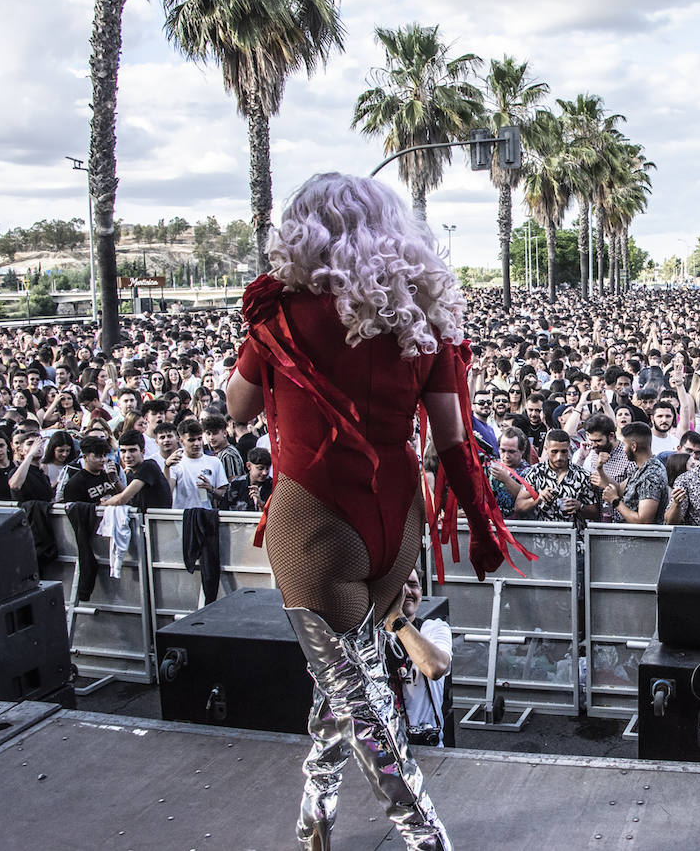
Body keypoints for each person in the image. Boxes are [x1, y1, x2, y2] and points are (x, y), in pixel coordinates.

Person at [224, 173, 523, 850]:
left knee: (360, 694)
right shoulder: (422, 318)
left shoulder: (279, 315)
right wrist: (482, 525)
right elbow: (454, 442)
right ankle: (315, 813)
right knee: (346, 676)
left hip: (315, 525)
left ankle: (424, 836)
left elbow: (237, 408)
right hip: (397, 524)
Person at [383, 571, 451, 748]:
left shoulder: (434, 628)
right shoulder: (371, 637)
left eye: (412, 585)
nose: (406, 592)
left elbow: (435, 668)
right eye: (399, 586)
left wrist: (396, 618)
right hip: (381, 749)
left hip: (425, 747)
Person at [516, 429, 600, 522]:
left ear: (569, 449)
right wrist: (538, 499)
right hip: (543, 534)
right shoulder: (535, 472)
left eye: (564, 452)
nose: (559, 457)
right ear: (546, 449)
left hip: (573, 534)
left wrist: (580, 506)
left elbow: (595, 513)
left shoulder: (582, 475)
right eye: (554, 452)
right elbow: (519, 507)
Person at [600, 422, 669, 524]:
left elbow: (644, 521)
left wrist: (615, 501)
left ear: (633, 446)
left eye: (624, 444)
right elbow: (619, 489)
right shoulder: (640, 468)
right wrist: (600, 469)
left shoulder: (651, 476)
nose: (623, 449)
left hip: (641, 539)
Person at [166, 417, 228, 511]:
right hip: (181, 518)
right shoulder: (175, 463)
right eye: (191, 440)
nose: (197, 443)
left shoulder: (214, 462)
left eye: (199, 439)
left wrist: (211, 489)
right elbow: (167, 492)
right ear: (181, 441)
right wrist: (166, 467)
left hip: (206, 516)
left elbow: (224, 494)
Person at [103, 429, 173, 510]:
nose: (127, 455)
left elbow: (122, 499)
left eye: (132, 450)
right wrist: (115, 480)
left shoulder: (149, 466)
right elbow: (130, 500)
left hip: (159, 520)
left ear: (143, 451)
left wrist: (100, 505)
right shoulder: (130, 473)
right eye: (123, 451)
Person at [220, 446, 271, 513]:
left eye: (267, 469)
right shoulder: (236, 484)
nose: (265, 473)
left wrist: (261, 504)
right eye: (260, 468)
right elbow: (224, 509)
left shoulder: (272, 485)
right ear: (249, 466)